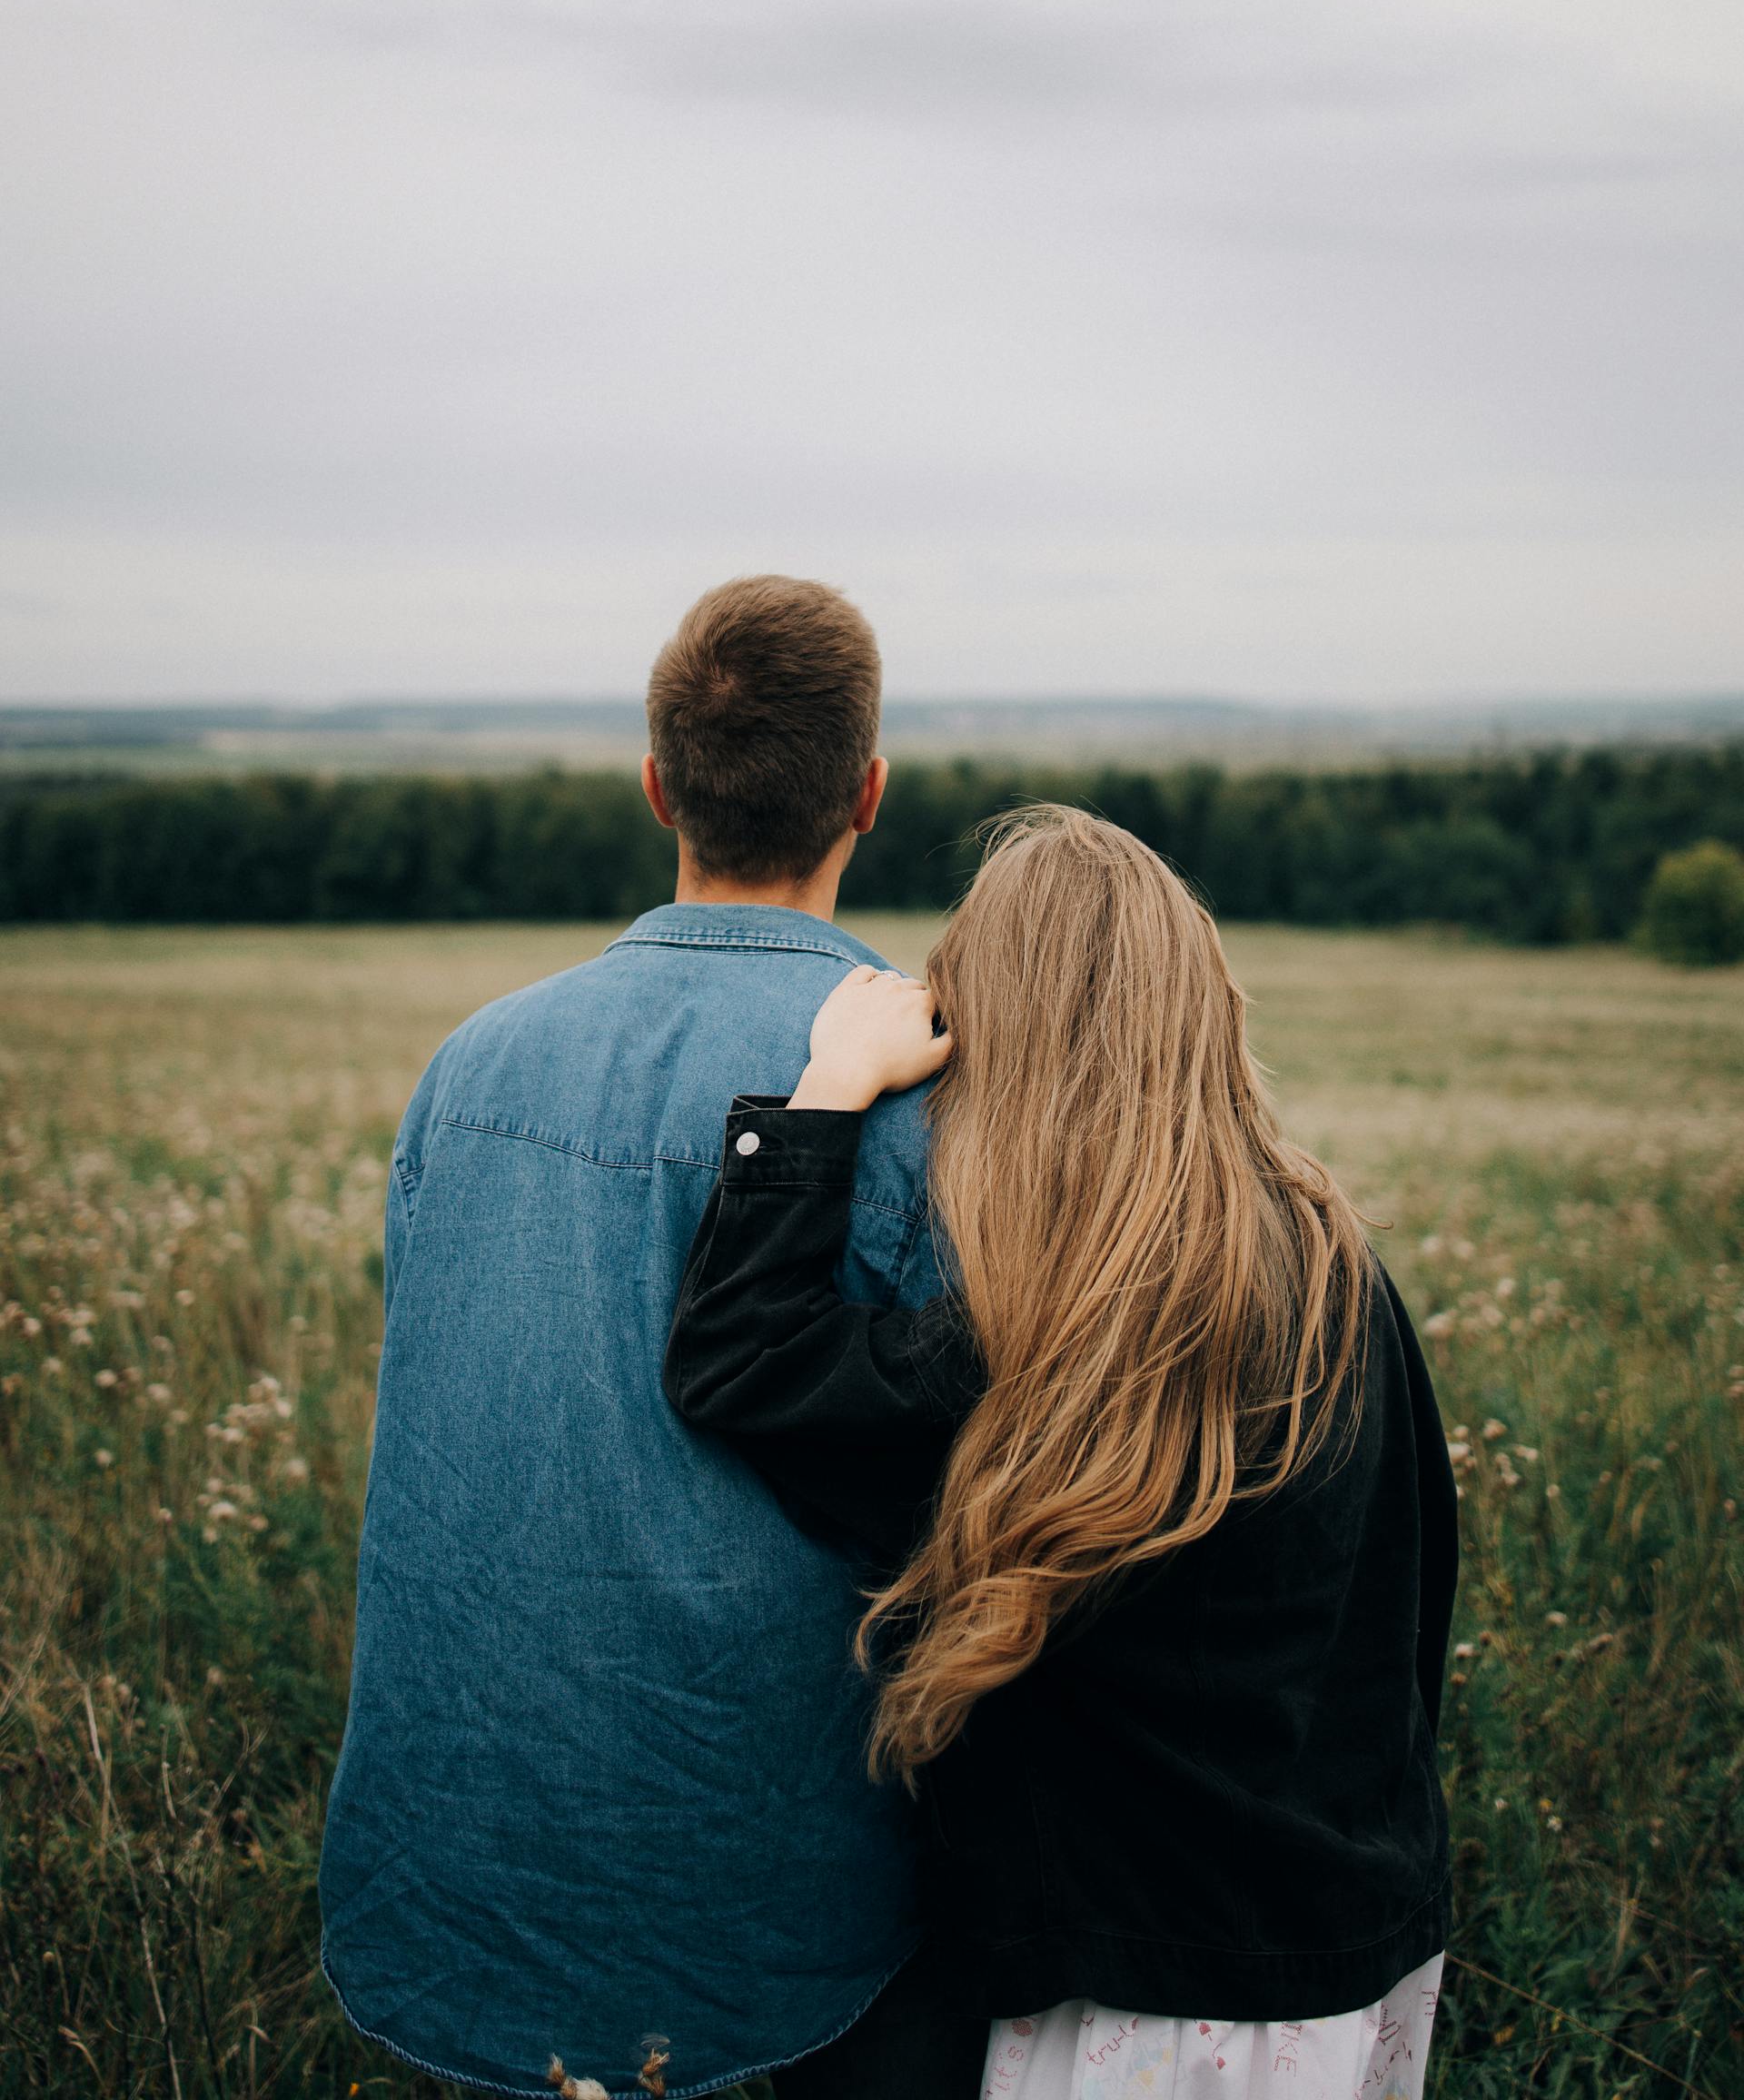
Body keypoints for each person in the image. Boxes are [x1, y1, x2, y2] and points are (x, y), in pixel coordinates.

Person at [666, 807, 1458, 2100]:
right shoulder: (1332, 1261)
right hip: (1352, 1949)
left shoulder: (1047, 1335)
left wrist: (830, 1091)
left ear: (994, 1047)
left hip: (1147, 1995)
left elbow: (739, 1362)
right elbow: (1420, 1593)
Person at [320, 576, 987, 2099]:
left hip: (464, 1878)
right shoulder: (932, 1093)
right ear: (870, 793)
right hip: (793, 1911)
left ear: (656, 786)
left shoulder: (470, 1065)